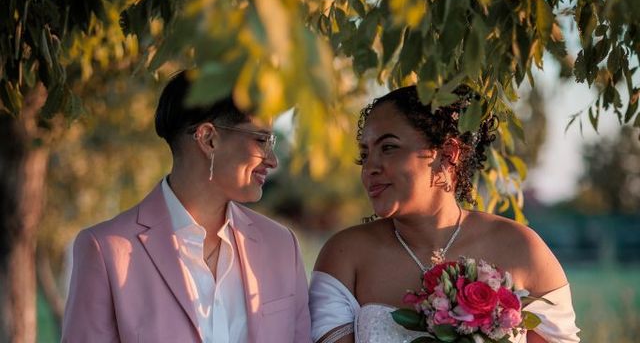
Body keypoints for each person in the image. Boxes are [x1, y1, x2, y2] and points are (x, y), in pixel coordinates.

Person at [309, 85, 580, 343]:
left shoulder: (522, 249)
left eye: (388, 147)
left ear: (448, 154)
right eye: (364, 155)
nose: (370, 168)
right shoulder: (345, 256)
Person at [62, 71, 312, 343]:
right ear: (208, 139)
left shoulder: (281, 246)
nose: (272, 160)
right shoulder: (106, 250)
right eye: (262, 140)